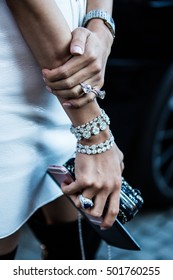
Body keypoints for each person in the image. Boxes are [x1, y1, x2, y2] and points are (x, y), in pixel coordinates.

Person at [0, 0, 124, 260]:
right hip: (11, 84)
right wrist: (95, 135)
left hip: (72, 74)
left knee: (75, 249)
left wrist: (100, 24)